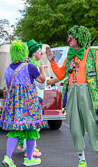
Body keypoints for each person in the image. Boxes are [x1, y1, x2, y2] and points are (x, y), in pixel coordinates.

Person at [46, 25, 98, 167]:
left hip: (88, 93)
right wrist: (51, 61)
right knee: (75, 127)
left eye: (72, 37)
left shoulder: (93, 54)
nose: (69, 39)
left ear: (80, 38)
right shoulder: (70, 57)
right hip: (72, 92)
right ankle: (82, 160)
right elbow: (61, 75)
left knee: (93, 126)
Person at [0, 40, 46, 167]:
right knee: (31, 128)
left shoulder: (8, 68)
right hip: (29, 103)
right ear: (25, 52)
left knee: (15, 130)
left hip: (14, 103)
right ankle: (29, 159)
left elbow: (8, 85)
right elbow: (41, 81)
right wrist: (42, 69)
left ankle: (8, 157)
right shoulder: (30, 66)